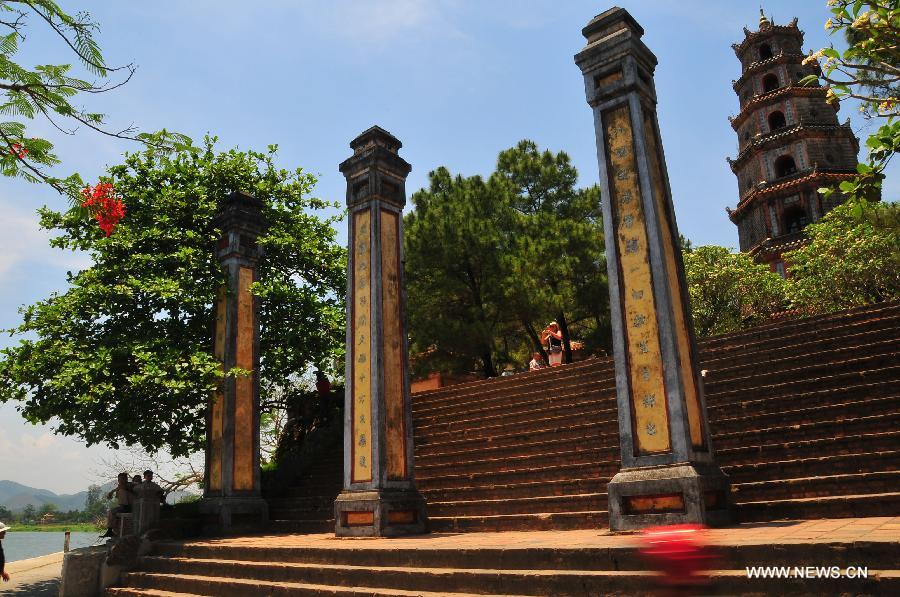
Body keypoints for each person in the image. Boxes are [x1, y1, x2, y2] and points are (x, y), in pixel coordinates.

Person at [102, 472, 133, 538]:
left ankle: (110, 531)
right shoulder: (119, 487)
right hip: (123, 507)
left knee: (112, 511)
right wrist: (111, 492)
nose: (120, 481)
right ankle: (110, 530)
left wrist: (125, 489)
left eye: (122, 479)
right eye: (119, 479)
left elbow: (133, 490)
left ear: (126, 479)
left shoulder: (131, 485)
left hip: (130, 507)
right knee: (110, 512)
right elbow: (115, 490)